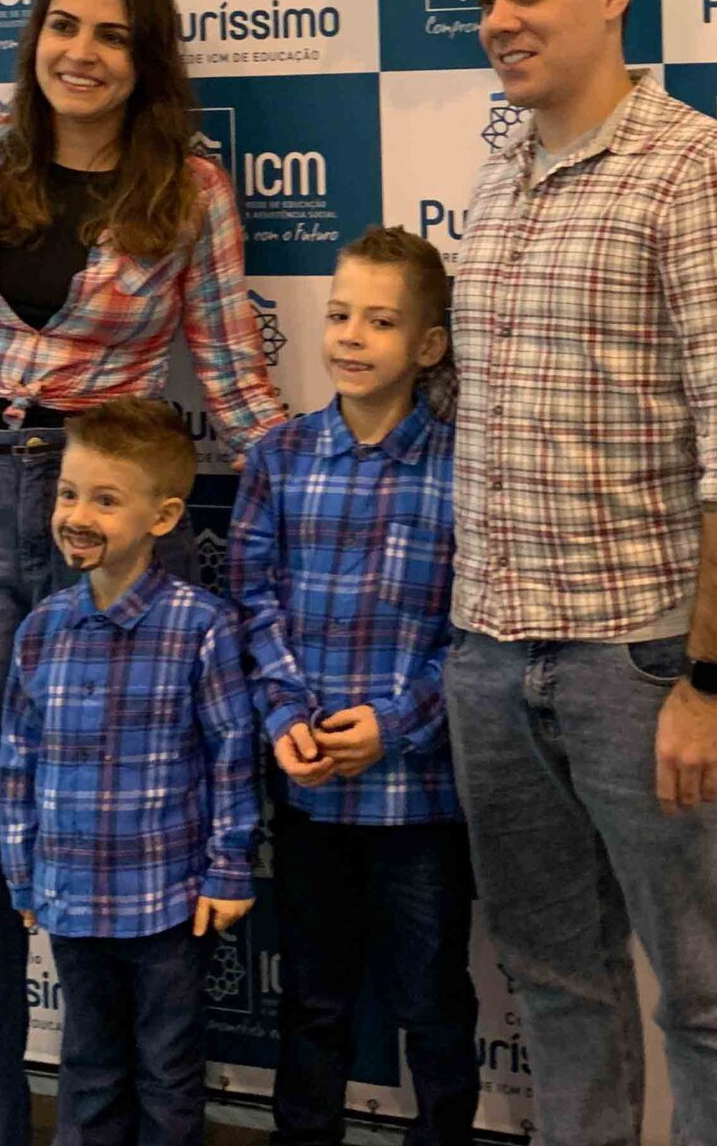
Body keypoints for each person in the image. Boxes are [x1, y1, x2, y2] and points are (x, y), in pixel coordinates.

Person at [0, 0, 287, 1146]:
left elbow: (236, 379)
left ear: (147, 60)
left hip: (116, 529)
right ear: (33, 35)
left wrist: (342, 488)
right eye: (63, 25)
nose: (81, 53)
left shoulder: (188, 191)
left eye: (111, 35)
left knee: (130, 825)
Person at [442, 0, 717, 1145]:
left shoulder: (706, 172)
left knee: (706, 995)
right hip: (491, 655)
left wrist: (709, 680)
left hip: (642, 665)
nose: (499, 19)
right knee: (552, 979)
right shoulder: (498, 174)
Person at [229, 226, 477, 1146]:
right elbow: (254, 601)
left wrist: (398, 722)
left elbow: (476, 632)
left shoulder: (464, 467)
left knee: (433, 1000)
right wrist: (285, 714)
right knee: (313, 1000)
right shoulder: (280, 457)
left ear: (429, 345)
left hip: (421, 798)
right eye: (339, 315)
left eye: (380, 321)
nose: (351, 337)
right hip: (311, 795)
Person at [0, 398, 257, 1146]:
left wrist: (229, 868)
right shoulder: (42, 629)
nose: (78, 515)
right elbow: (18, 762)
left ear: (163, 517)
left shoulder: (201, 626)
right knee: (87, 1065)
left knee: (168, 1070)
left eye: (106, 500)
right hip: (71, 900)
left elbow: (232, 756)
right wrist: (23, 875)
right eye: (69, 494)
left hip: (166, 905)